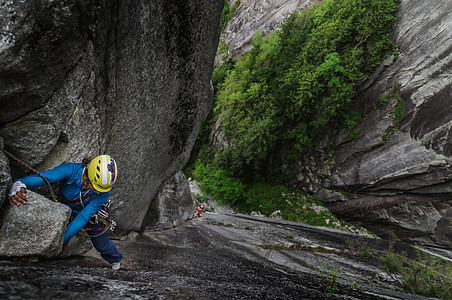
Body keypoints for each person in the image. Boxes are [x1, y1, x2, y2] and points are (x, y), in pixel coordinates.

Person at [8, 154, 123, 270]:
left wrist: (59, 242)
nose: (98, 193)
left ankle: (116, 260)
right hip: (65, 208)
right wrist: (19, 183)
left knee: (101, 243)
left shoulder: (104, 192)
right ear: (89, 177)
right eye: (96, 188)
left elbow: (82, 217)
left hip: (89, 215)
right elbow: (45, 178)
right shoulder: (70, 170)